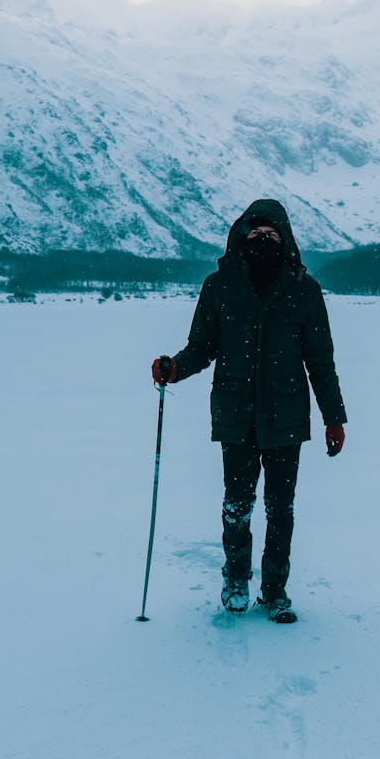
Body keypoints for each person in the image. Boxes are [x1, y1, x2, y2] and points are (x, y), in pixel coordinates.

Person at [151, 199, 346, 624]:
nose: (263, 240)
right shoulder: (219, 286)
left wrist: (335, 417)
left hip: (287, 419)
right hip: (236, 415)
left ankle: (275, 593)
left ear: (286, 240)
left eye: (272, 234)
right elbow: (202, 347)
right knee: (237, 505)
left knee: (281, 510)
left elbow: (320, 359)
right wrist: (175, 368)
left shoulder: (304, 290)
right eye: (255, 233)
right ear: (241, 236)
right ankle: (236, 580)